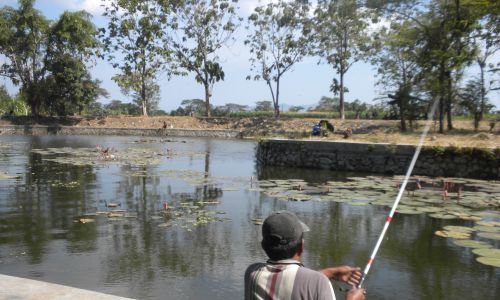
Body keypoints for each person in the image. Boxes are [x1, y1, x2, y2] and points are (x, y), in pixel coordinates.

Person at [245, 211, 365, 300]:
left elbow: (292, 280)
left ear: (263, 246)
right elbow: (303, 282)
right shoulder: (317, 282)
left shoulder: (252, 273)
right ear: (301, 247)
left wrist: (330, 272)